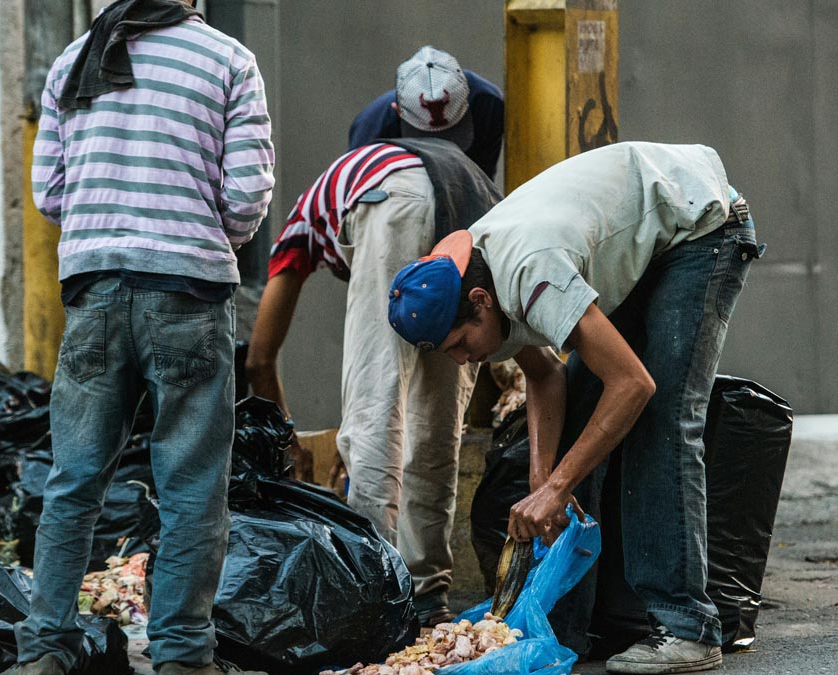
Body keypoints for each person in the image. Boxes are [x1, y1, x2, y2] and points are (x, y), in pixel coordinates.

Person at [387, 142, 763, 673]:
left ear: (479, 303)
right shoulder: (481, 276)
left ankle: (686, 627)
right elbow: (545, 375)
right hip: (648, 238)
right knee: (582, 436)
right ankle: (563, 631)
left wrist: (559, 487)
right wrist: (544, 478)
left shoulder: (528, 273)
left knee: (657, 422)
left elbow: (633, 384)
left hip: (700, 226)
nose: (461, 360)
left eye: (459, 344)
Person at [10, 0, 274, 674]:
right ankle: (183, 656)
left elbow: (49, 193)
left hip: (93, 292)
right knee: (190, 484)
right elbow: (245, 198)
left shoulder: (74, 60)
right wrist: (193, 233)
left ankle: (44, 647)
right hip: (188, 293)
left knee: (73, 480)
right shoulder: (227, 60)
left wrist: (108, 225)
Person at [247, 50, 501, 627]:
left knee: (374, 404)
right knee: (438, 427)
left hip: (396, 201)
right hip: (479, 203)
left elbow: (261, 356)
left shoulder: (318, 208)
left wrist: (288, 438)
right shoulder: (470, 137)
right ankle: (426, 598)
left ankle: (368, 603)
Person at [348, 45, 504, 180]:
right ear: (397, 111)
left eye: (449, 135)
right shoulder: (371, 131)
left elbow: (484, 183)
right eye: (426, 136)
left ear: (467, 102)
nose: (439, 153)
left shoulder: (488, 106)